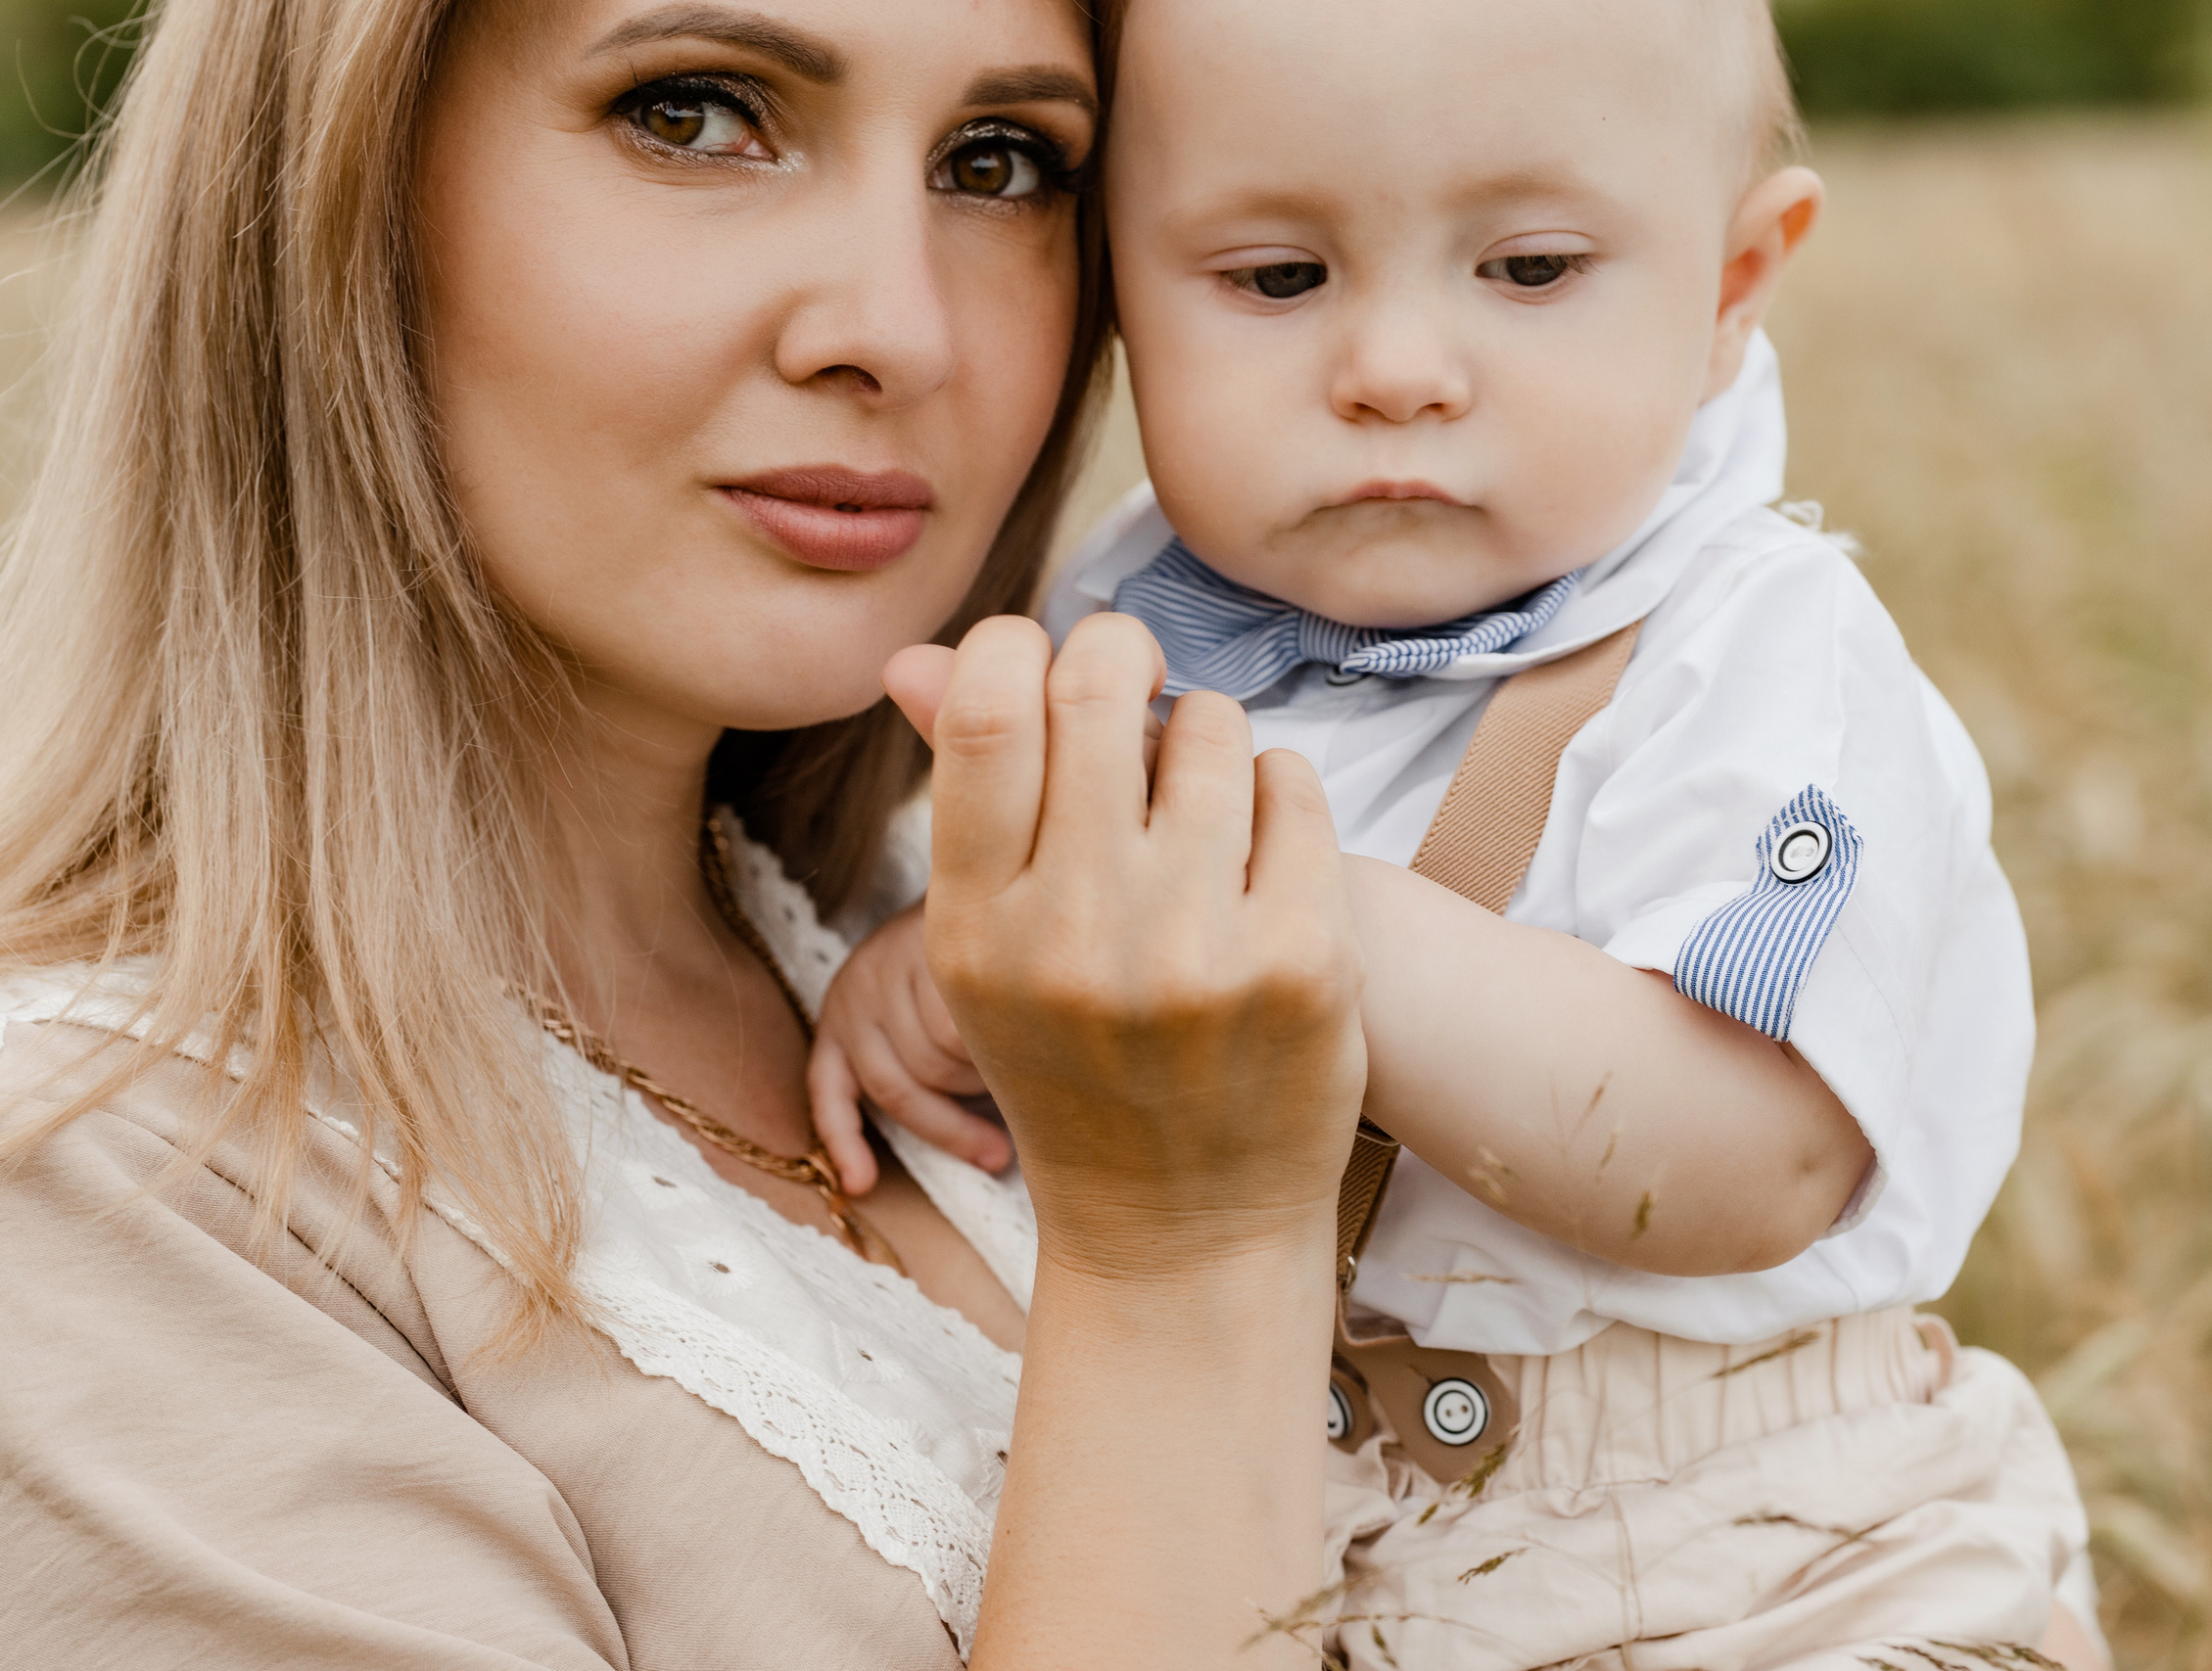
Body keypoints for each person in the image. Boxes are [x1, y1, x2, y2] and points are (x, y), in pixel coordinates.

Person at [0, 0, 1372, 1666]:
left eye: (1002, 164)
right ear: (329, 188)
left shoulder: (988, 957)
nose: (899, 329)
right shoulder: (89, 1219)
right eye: (696, 115)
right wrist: (1177, 1265)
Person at [812, 2, 2111, 1666]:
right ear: (1118, 305)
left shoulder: (1758, 658)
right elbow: (1130, 1061)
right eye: (1278, 280)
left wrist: (1308, 922)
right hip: (1317, 1532)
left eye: (1532, 269)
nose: (1397, 372)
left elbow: (1750, 1159)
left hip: (1767, 1540)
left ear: (1730, 288)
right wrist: (960, 977)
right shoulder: (1126, 624)